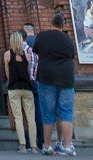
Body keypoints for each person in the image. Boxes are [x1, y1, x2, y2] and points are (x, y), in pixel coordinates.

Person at [32, 12, 76, 157]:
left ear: (51, 23)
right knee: (66, 112)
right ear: (62, 25)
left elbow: (35, 50)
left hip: (47, 77)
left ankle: (47, 146)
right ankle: (68, 146)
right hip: (66, 78)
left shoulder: (43, 36)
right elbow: (71, 56)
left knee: (48, 112)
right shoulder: (68, 40)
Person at [4, 30, 37, 154]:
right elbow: (28, 72)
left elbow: (7, 73)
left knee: (18, 117)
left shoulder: (7, 54)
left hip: (14, 87)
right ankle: (33, 147)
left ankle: (23, 145)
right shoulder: (27, 55)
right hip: (27, 88)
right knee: (31, 118)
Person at [22, 27, 44, 152]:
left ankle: (28, 142)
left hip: (25, 82)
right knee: (38, 112)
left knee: (26, 112)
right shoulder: (37, 46)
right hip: (37, 80)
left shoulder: (22, 49)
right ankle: (41, 141)